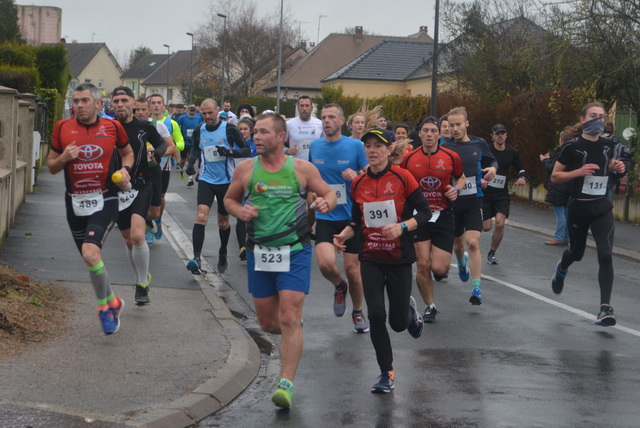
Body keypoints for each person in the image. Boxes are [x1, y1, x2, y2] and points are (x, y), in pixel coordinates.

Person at [224, 112, 337, 409]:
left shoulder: (302, 169)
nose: (256, 137)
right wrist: (240, 212)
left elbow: (329, 194)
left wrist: (325, 202)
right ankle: (293, 333)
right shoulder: (246, 170)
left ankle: (285, 382)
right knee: (268, 322)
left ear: (279, 137)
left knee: (288, 316)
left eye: (262, 132)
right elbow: (229, 200)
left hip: (295, 250)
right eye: (255, 132)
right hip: (259, 252)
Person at [333, 129, 431, 394]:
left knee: (397, 324)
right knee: (376, 314)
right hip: (371, 257)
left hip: (399, 258)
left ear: (389, 150)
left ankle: (409, 310)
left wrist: (402, 227)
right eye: (368, 146)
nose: (372, 150)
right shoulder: (359, 182)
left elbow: (425, 212)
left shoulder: (403, 177)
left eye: (378, 146)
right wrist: (344, 234)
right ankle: (386, 372)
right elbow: (357, 220)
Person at [48, 83, 134, 334]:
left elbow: (127, 154)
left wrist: (124, 170)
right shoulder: (62, 128)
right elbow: (52, 167)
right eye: (76, 101)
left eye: (84, 100)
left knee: (90, 252)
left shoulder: (112, 127)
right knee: (91, 259)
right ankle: (114, 301)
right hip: (74, 202)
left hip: (105, 198)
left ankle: (104, 309)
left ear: (98, 104)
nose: (79, 106)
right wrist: (64, 157)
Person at [550, 102, 626, 326]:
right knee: (577, 253)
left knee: (605, 253)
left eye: (601, 117)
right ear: (583, 119)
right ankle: (562, 267)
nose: (598, 120)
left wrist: (617, 167)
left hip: (602, 207)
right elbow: (555, 176)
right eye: (593, 116)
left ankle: (605, 308)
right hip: (579, 208)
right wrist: (578, 172)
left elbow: (609, 164)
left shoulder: (607, 144)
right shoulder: (571, 147)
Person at [309, 103, 370, 333]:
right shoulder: (315, 147)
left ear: (342, 121)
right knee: (325, 264)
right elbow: (310, 180)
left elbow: (370, 176)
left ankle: (357, 312)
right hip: (326, 215)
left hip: (351, 218)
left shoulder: (355, 146)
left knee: (353, 270)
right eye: (324, 117)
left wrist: (356, 176)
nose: (326, 121)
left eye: (331, 117)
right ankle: (339, 285)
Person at [400, 117, 465, 323]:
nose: (429, 134)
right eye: (425, 131)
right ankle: (430, 306)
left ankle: (440, 272)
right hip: (419, 216)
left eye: (433, 131)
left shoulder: (451, 156)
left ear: (439, 134)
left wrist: (456, 189)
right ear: (419, 134)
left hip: (444, 215)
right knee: (422, 265)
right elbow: (400, 181)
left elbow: (461, 177)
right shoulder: (409, 158)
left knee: (439, 268)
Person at [112, 87, 167, 306]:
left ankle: (142, 285)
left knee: (137, 235)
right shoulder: (107, 127)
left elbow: (163, 143)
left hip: (141, 185)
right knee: (128, 241)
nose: (119, 104)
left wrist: (157, 153)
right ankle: (140, 278)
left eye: (124, 100)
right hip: (116, 190)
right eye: (115, 100)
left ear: (133, 103)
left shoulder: (144, 127)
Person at [185, 99, 251, 275]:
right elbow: (196, 150)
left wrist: (229, 152)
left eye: (210, 113)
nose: (207, 117)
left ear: (218, 111)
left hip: (226, 183)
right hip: (206, 180)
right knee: (201, 216)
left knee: (223, 222)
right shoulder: (200, 129)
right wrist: (191, 164)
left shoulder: (228, 128)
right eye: (204, 114)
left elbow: (246, 150)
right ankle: (197, 258)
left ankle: (223, 251)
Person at [441, 107, 497, 305]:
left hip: (474, 201)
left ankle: (476, 289)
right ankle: (462, 262)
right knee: (458, 245)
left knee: (472, 242)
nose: (454, 129)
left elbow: (492, 161)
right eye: (451, 125)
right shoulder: (445, 147)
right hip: (453, 203)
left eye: (458, 124)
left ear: (467, 124)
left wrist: (492, 169)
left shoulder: (479, 143)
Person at [482, 124, 526, 264]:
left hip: (502, 195)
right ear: (492, 136)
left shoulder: (511, 152)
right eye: (497, 134)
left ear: (506, 135)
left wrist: (522, 177)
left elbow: (520, 168)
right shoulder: (486, 150)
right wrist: (482, 179)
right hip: (486, 194)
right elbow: (477, 166)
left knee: (500, 224)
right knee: (486, 227)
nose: (500, 136)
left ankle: (492, 253)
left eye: (502, 133)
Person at [148, 93, 182, 241]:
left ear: (163, 106)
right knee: (146, 197)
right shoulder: (144, 122)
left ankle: (158, 220)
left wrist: (159, 153)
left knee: (160, 197)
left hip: (163, 167)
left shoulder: (171, 123)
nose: (156, 105)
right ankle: (147, 228)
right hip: (146, 168)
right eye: (153, 103)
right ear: (149, 106)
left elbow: (179, 143)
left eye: (158, 103)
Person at [541, 126, 577, 246]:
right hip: (569, 185)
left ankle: (560, 237)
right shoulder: (574, 151)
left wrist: (545, 160)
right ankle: (565, 237)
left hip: (559, 186)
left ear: (562, 140)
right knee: (566, 213)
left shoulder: (562, 152)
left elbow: (552, 168)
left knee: (560, 213)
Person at [285, 95, 324, 161]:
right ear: (298, 108)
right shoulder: (289, 124)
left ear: (311, 108)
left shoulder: (320, 124)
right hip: (296, 166)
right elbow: (278, 143)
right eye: (302, 105)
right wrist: (286, 150)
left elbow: (326, 142)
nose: (304, 109)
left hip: (314, 166)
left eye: (307, 105)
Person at [177, 105, 203, 185]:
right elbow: (177, 127)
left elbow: (202, 127)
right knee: (183, 160)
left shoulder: (198, 117)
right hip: (185, 142)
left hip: (194, 143)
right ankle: (181, 169)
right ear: (188, 110)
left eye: (193, 111)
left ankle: (190, 178)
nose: (192, 112)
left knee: (191, 160)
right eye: (191, 110)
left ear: (195, 111)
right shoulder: (182, 118)